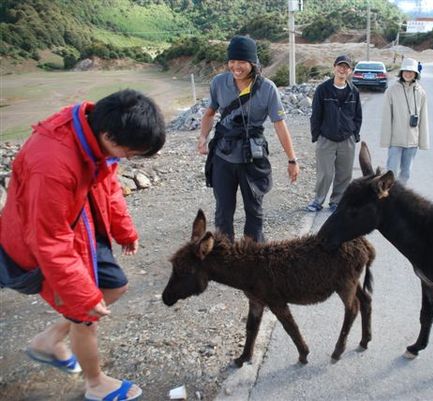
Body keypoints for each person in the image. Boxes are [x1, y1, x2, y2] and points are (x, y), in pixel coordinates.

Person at [0, 89, 166, 401]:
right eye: (129, 151)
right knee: (85, 315)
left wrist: (124, 231)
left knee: (114, 287)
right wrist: (81, 296)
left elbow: (108, 186)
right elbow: (48, 238)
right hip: (45, 246)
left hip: (82, 228)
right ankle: (95, 384)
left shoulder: (91, 134)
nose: (128, 158)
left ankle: (49, 339)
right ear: (108, 133)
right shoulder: (50, 163)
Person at [198, 35, 299, 243]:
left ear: (253, 63)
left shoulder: (267, 88)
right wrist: (202, 137)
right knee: (223, 210)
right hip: (223, 155)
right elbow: (209, 113)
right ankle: (224, 254)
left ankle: (253, 254)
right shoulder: (219, 83)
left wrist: (292, 159)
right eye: (232, 61)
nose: (236, 67)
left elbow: (279, 124)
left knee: (254, 209)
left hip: (252, 156)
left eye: (242, 62)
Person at [306, 55, 362, 212]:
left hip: (347, 139)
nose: (342, 69)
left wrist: (354, 135)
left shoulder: (354, 91)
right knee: (325, 173)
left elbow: (358, 116)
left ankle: (337, 201)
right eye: (340, 66)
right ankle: (318, 200)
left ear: (350, 71)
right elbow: (316, 114)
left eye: (346, 67)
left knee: (344, 174)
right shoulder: (323, 89)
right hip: (326, 138)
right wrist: (316, 135)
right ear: (334, 68)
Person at [380, 57, 429, 184]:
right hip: (395, 140)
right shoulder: (391, 91)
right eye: (405, 71)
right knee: (391, 173)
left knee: (406, 173)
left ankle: (399, 199)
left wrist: (423, 142)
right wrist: (386, 141)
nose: (408, 73)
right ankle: (387, 199)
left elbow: (424, 119)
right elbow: (386, 118)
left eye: (411, 71)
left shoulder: (421, 92)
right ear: (401, 72)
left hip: (412, 141)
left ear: (416, 74)